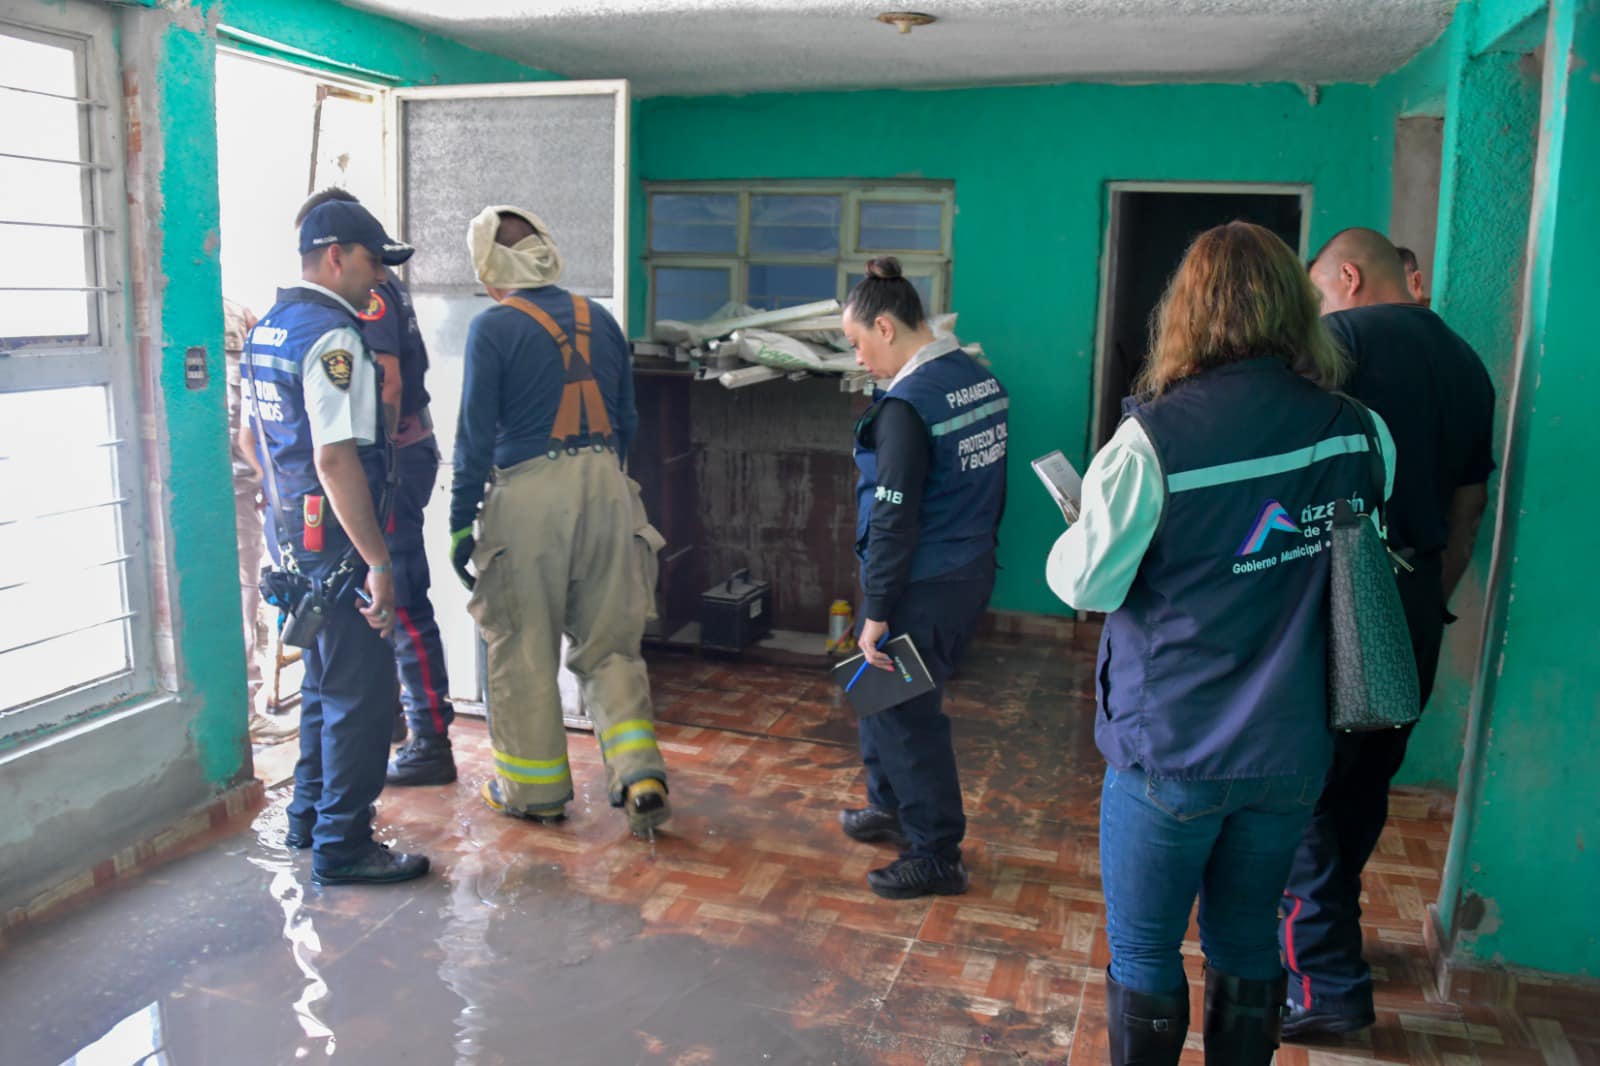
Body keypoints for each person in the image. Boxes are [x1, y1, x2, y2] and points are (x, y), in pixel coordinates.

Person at [1046, 222, 1395, 1066]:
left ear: (1187, 314)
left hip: (1174, 750)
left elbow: (1085, 585)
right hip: (1289, 750)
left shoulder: (1153, 441)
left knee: (1144, 953)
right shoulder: (1359, 430)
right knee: (1246, 945)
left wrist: (1086, 528)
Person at [1282, 227, 1494, 1039]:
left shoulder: (1338, 340)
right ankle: (1332, 943)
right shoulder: (1470, 366)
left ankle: (1326, 985)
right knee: (1364, 785)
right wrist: (1425, 592)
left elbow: (1284, 458)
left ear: (1345, 278)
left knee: (1306, 790)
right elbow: (1468, 508)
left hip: (1346, 596)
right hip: (1416, 599)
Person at [450, 204, 670, 835]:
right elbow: (626, 419)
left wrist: (461, 521)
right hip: (609, 485)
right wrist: (604, 488)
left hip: (529, 496)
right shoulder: (599, 319)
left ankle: (534, 794)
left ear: (491, 268)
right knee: (611, 645)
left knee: (523, 647)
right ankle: (639, 774)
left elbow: (472, 437)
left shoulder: (493, 327)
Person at [238, 199, 429, 886]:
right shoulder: (335, 338)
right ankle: (344, 845)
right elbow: (337, 458)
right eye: (374, 261)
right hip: (340, 546)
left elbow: (249, 443)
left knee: (323, 687)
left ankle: (309, 819)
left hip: (294, 537)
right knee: (362, 693)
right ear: (336, 256)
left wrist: (297, 520)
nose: (380, 278)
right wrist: (376, 561)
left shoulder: (270, 329)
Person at [839, 256, 1007, 901]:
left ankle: (936, 851)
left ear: (886, 327)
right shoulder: (974, 378)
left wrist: (878, 609)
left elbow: (894, 518)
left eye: (856, 343)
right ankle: (889, 805)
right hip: (964, 568)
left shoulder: (907, 407)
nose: (857, 360)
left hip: (919, 580)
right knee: (876, 698)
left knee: (905, 715)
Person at [293, 188, 457, 788]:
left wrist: (377, 471)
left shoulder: (369, 296)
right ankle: (395, 725)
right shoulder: (350, 300)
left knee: (400, 595)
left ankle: (428, 738)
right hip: (395, 457)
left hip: (394, 459)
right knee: (377, 597)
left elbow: (385, 386)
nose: (379, 270)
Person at [223, 296, 292, 740]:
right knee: (243, 595)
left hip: (236, 482)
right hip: (233, 484)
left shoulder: (228, 309)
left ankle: (244, 708)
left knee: (246, 595)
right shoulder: (230, 314)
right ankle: (243, 713)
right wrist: (267, 476)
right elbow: (243, 421)